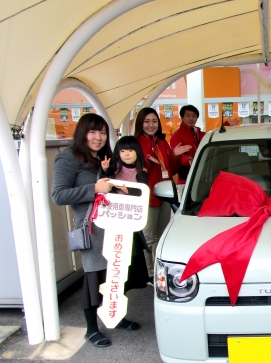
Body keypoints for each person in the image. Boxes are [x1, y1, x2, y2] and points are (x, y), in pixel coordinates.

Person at [52, 114, 140, 348]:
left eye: (102, 132)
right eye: (93, 132)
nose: (98, 137)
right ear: (82, 133)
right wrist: (94, 188)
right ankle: (91, 329)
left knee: (116, 275)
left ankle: (115, 315)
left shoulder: (106, 157)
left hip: (116, 225)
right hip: (92, 229)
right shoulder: (68, 157)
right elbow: (58, 194)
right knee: (94, 278)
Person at [134, 107, 178, 281]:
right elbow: (133, 170)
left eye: (154, 121)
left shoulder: (162, 142)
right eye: (147, 121)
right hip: (147, 198)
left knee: (161, 237)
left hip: (164, 196)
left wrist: (175, 155)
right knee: (148, 239)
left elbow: (172, 168)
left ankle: (160, 274)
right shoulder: (136, 143)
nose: (151, 125)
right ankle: (150, 274)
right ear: (140, 123)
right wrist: (149, 164)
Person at [102, 135, 150, 292]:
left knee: (131, 255)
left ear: (138, 152)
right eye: (123, 151)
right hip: (114, 220)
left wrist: (128, 191)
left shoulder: (141, 171)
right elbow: (103, 184)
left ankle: (129, 285)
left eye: (130, 150)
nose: (127, 154)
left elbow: (143, 194)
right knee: (115, 254)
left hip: (130, 221)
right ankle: (115, 287)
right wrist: (104, 170)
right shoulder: (114, 169)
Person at [169, 105, 239, 195]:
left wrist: (226, 125)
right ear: (182, 117)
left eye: (194, 116)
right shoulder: (177, 136)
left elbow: (214, 136)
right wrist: (189, 159)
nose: (191, 118)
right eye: (188, 116)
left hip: (203, 179)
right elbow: (177, 158)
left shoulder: (198, 133)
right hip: (186, 181)